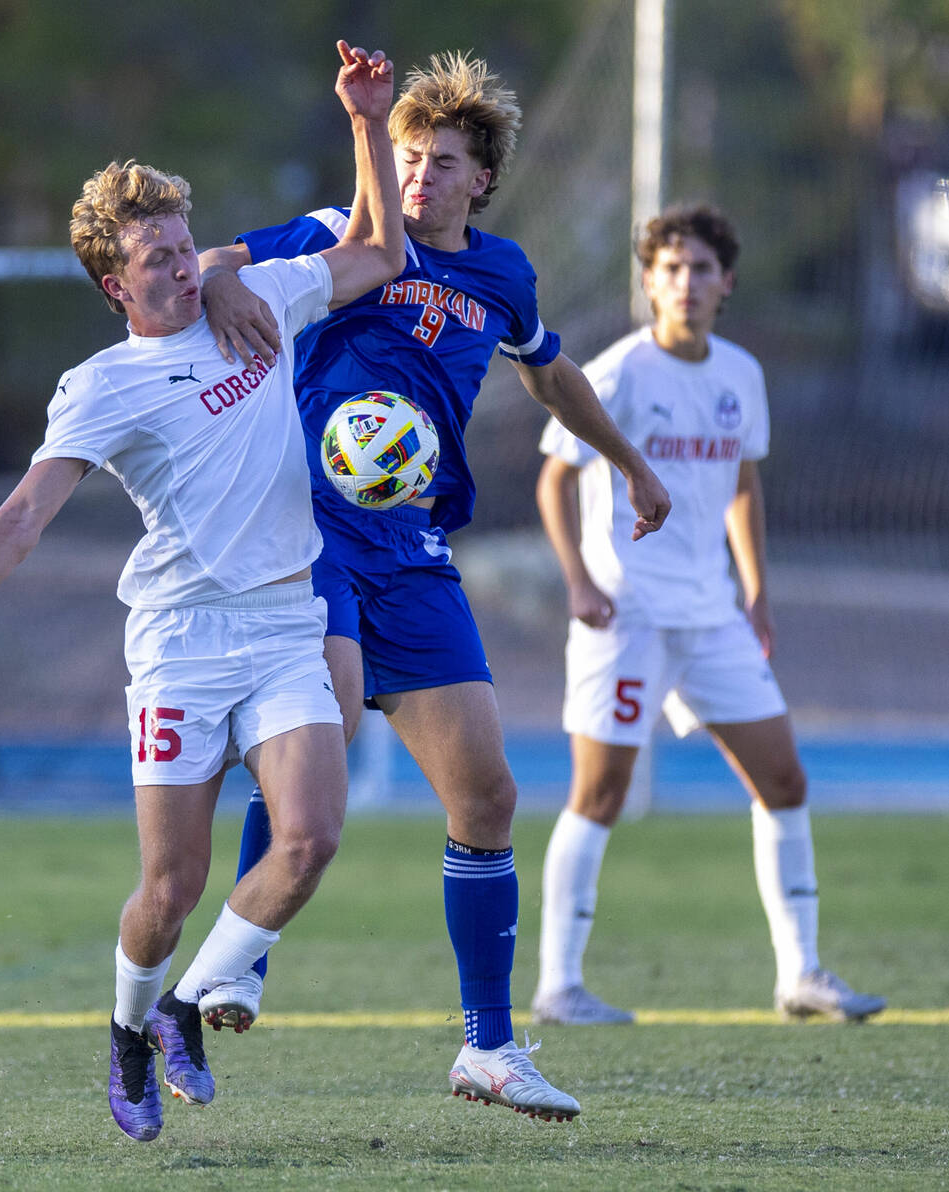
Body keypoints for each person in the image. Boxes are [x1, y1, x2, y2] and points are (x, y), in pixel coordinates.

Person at [0, 41, 405, 1142]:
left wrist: (367, 121)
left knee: (308, 838)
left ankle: (177, 1009)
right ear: (115, 285)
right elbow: (24, 514)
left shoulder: (249, 298)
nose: (175, 265)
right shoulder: (101, 387)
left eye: (179, 245)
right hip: (176, 642)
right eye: (154, 258)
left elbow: (374, 257)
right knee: (169, 887)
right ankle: (126, 1030)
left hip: (279, 618)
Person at [195, 51, 671, 1123]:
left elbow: (550, 373)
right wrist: (225, 290)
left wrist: (630, 463)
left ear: (478, 179)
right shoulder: (341, 232)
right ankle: (237, 960)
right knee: (324, 740)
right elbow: (219, 261)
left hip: (410, 547)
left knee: (488, 795)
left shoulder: (499, 276)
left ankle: (488, 1051)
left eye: (438, 161)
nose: (415, 175)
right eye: (405, 155)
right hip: (306, 533)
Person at [531, 203, 886, 1026]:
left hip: (713, 614)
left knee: (784, 778)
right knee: (600, 791)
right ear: (648, 282)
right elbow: (554, 479)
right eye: (669, 269)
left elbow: (743, 485)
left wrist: (756, 588)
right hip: (627, 615)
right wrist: (580, 582)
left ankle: (800, 973)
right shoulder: (616, 372)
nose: (684, 283)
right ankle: (559, 985)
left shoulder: (740, 375)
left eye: (700, 269)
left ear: (726, 282)